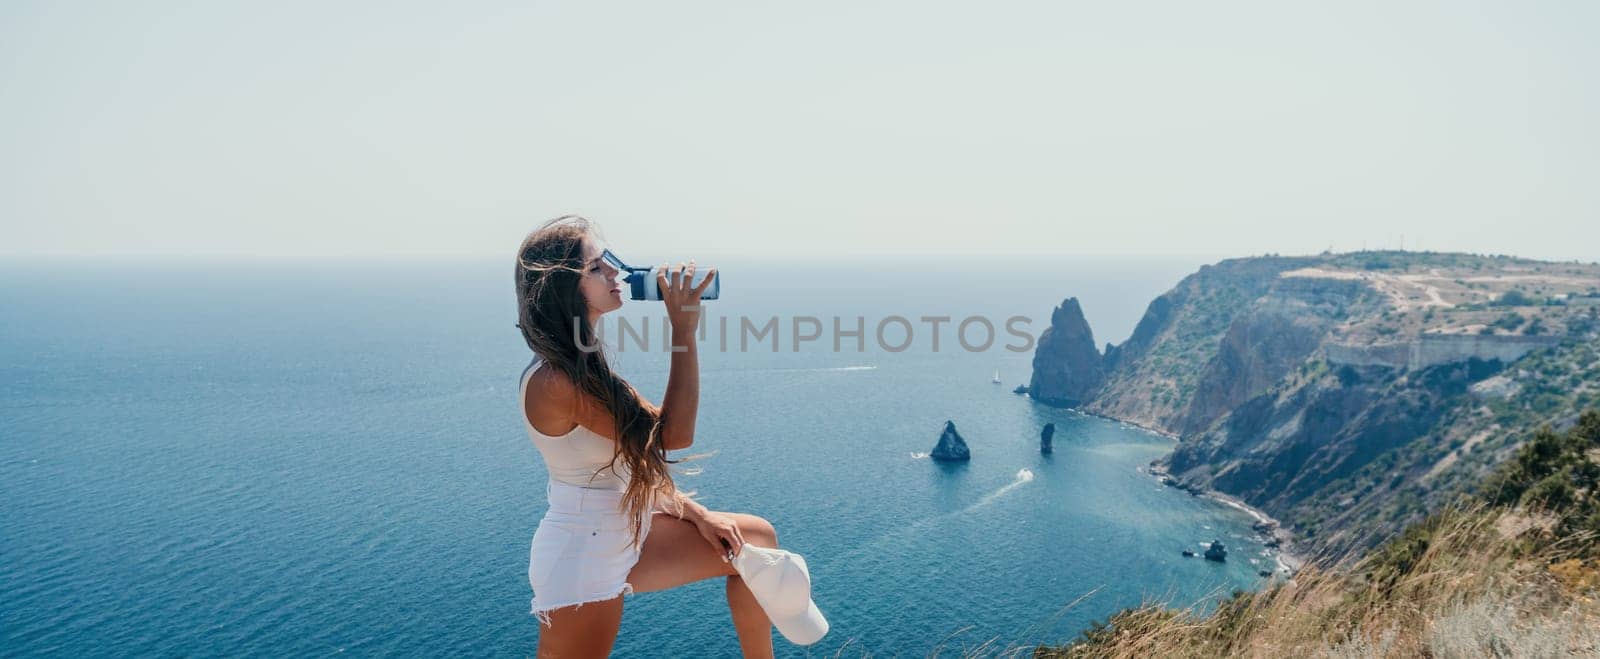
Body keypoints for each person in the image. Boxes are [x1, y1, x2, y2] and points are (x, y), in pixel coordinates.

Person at [513, 215, 781, 658]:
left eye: (610, 262)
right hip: (583, 554)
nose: (615, 273)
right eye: (597, 268)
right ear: (565, 289)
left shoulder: (587, 368)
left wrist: (697, 515)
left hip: (624, 531)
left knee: (755, 544)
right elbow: (673, 435)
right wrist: (683, 332)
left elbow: (642, 447)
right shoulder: (558, 381)